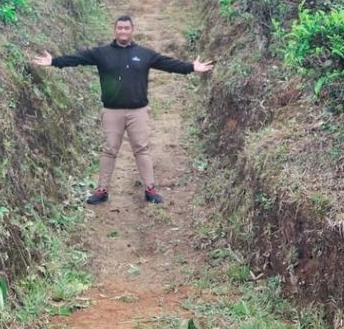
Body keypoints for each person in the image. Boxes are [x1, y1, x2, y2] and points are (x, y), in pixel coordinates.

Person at [32, 14, 213, 204]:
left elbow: (168, 63)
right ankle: (102, 190)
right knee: (109, 150)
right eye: (120, 28)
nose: (123, 31)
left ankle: (150, 189)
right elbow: (78, 58)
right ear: (115, 30)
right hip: (112, 111)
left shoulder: (144, 54)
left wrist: (192, 67)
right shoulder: (101, 53)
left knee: (141, 149)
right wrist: (54, 62)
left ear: (132, 30)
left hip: (138, 112)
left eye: (126, 28)